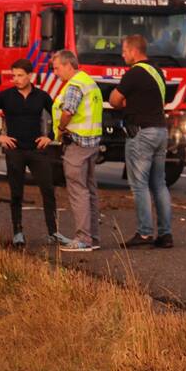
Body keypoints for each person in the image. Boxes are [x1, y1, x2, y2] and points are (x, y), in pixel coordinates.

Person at [0, 58, 64, 247]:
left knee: (48, 190)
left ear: (30, 76)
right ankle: (18, 232)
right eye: (14, 76)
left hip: (37, 150)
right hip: (15, 150)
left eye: (20, 75)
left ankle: (53, 232)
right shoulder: (5, 96)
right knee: (16, 193)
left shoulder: (41, 96)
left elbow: (56, 116)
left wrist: (50, 136)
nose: (16, 79)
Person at [110, 34, 172, 248]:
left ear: (134, 51)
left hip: (141, 133)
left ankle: (144, 233)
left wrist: (125, 103)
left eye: (124, 51)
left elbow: (114, 99)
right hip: (161, 131)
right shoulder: (157, 72)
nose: (123, 55)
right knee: (159, 185)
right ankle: (165, 234)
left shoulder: (134, 73)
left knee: (139, 185)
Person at [50, 50, 103, 252]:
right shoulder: (89, 82)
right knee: (90, 191)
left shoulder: (74, 85)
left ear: (68, 65)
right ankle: (93, 238)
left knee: (77, 191)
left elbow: (68, 111)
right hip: (92, 143)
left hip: (77, 144)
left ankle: (83, 239)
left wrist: (61, 129)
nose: (55, 73)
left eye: (57, 68)